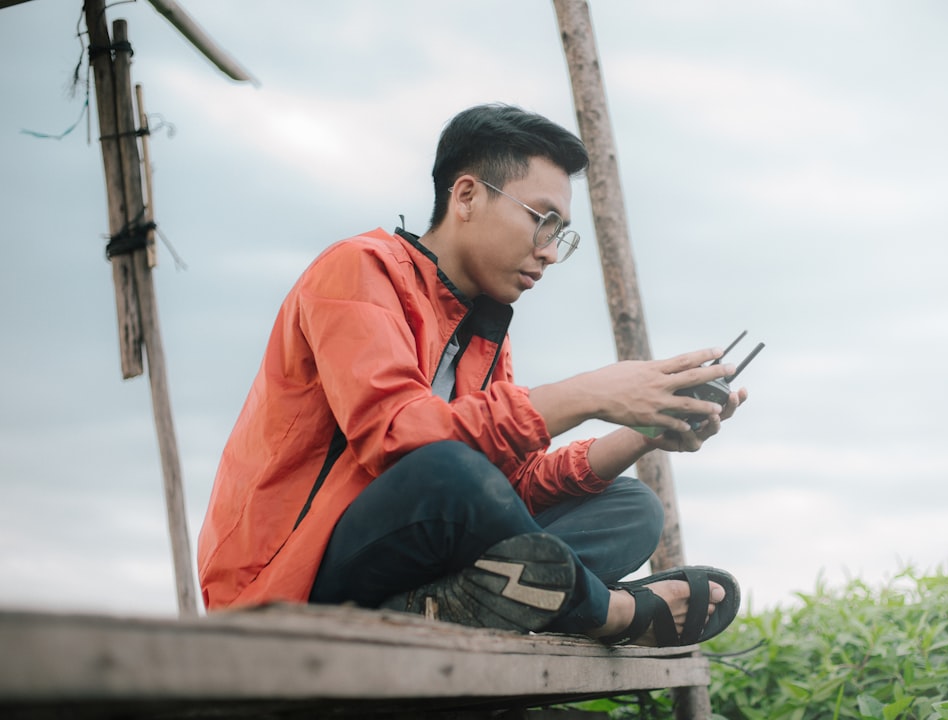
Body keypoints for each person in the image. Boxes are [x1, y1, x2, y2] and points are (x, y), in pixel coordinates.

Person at [197, 103, 749, 647]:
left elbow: (510, 490)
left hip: (413, 569)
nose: (552, 252)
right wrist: (588, 393)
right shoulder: (358, 268)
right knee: (448, 471)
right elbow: (396, 438)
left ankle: (445, 605)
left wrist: (644, 432)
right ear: (466, 196)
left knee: (632, 509)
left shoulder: (484, 332)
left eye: (562, 233)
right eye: (544, 220)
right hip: (288, 583)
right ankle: (611, 612)